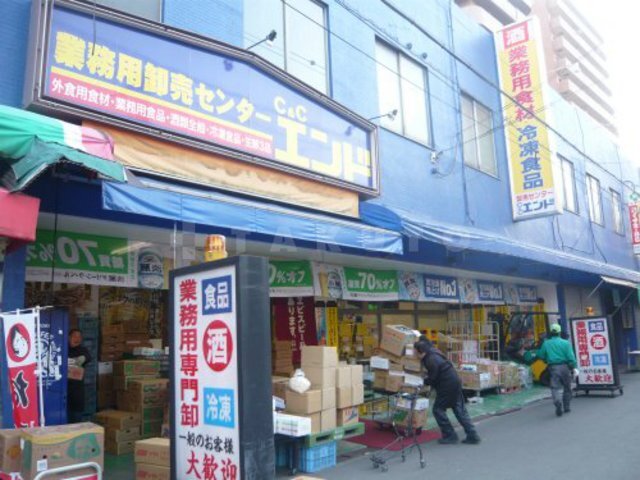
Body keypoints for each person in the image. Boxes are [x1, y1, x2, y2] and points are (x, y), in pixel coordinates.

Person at [414, 339, 481, 445]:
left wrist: (422, 381)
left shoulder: (430, 359)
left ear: (421, 352)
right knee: (459, 409)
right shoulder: (434, 353)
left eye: (415, 352)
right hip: (454, 382)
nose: (414, 355)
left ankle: (450, 435)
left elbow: (433, 378)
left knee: (438, 409)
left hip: (447, 386)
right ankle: (472, 435)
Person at [536, 323, 577, 417]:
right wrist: (574, 366)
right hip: (565, 367)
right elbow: (571, 357)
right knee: (567, 387)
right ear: (559, 332)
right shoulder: (566, 343)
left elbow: (540, 355)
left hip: (553, 367)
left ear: (551, 332)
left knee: (554, 387)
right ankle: (566, 407)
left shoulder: (546, 343)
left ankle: (557, 401)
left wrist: (546, 360)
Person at [67, 329, 91, 423]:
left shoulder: (83, 350)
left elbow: (88, 356)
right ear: (69, 337)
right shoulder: (64, 348)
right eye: (74, 336)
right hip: (65, 388)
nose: (77, 339)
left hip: (77, 389)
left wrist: (84, 357)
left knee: (76, 416)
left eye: (79, 337)